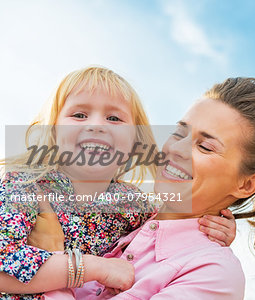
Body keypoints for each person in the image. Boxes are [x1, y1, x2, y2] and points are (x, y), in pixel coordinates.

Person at [70, 77, 255, 299]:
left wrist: (61, 263)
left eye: (206, 146)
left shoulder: (214, 274)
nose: (177, 150)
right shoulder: (119, 213)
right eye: (179, 132)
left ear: (246, 183)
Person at [0, 67, 236, 300]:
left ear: (135, 142)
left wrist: (217, 226)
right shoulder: (25, 185)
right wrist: (95, 268)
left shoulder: (130, 204)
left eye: (114, 118)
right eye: (79, 115)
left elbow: (167, 227)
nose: (96, 125)